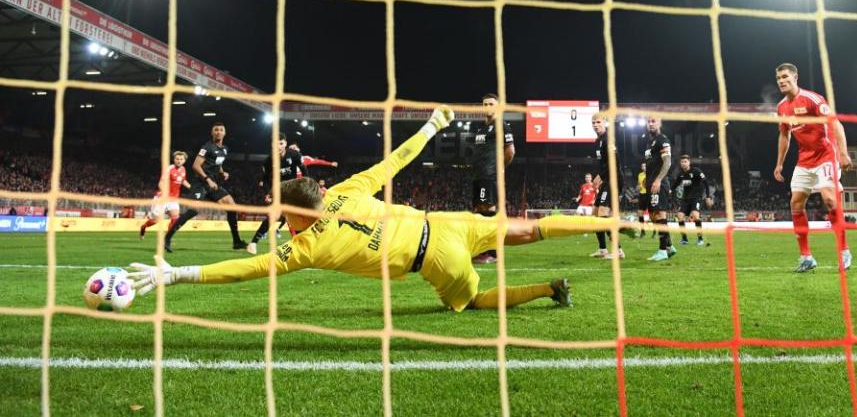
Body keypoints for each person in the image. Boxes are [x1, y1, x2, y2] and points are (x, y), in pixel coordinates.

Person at [127, 107, 628, 312]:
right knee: (531, 230)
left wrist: (180, 275)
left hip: (436, 262)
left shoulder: (307, 247)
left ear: (296, 217)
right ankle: (616, 220)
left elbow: (248, 269)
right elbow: (397, 159)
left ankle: (545, 289)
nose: (280, 220)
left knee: (473, 302)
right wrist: (433, 126)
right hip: (448, 224)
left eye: (282, 214)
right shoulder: (344, 190)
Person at [773, 63, 853, 273]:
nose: (781, 81)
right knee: (796, 204)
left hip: (826, 155)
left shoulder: (813, 99)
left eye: (785, 76)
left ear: (795, 77)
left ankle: (844, 251)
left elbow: (835, 124)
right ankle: (806, 256)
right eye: (778, 78)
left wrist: (843, 153)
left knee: (829, 199)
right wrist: (779, 163)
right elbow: (784, 135)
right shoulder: (782, 107)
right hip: (804, 160)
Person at [165, 123, 243, 252]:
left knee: (232, 206)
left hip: (212, 184)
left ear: (225, 133)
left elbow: (218, 164)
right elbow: (196, 166)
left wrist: (222, 172)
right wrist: (207, 179)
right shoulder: (207, 147)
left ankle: (237, 241)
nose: (218, 132)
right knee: (193, 211)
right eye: (216, 130)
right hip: (201, 183)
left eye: (221, 130)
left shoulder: (224, 149)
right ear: (212, 133)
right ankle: (167, 238)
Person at [247, 133, 314, 255]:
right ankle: (253, 243)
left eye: (281, 143)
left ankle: (303, 244)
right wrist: (268, 193)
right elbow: (266, 179)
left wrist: (306, 185)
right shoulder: (269, 160)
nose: (279, 146)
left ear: (285, 144)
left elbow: (304, 170)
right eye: (276, 144)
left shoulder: (294, 155)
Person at [470, 93, 515, 264]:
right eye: (485, 104)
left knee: (488, 209)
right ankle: (483, 250)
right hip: (478, 175)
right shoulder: (479, 128)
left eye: (491, 104)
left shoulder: (502, 125)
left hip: (489, 175)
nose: (488, 107)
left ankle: (493, 253)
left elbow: (510, 150)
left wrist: (499, 168)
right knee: (480, 211)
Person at [590, 113, 624, 259]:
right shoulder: (598, 141)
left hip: (613, 180)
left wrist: (600, 177)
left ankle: (618, 251)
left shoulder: (608, 139)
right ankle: (603, 249)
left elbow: (614, 162)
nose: (595, 125)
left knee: (603, 215)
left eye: (598, 122)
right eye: (593, 123)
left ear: (605, 123)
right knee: (595, 214)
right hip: (605, 181)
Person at [643, 117, 676, 261]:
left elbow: (667, 162)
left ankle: (662, 251)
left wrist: (658, 179)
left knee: (660, 215)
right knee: (653, 216)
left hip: (659, 183)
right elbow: (652, 163)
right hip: (651, 182)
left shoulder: (663, 139)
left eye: (653, 121)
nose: (651, 124)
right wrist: (647, 178)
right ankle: (669, 246)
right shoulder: (649, 143)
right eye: (648, 121)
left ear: (660, 123)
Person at [140, 151, 191, 240]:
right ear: (174, 159)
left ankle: (167, 238)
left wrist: (191, 187)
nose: (179, 161)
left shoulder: (183, 169)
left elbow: (183, 181)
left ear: (184, 161)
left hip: (173, 199)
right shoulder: (169, 169)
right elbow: (161, 183)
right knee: (156, 220)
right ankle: (143, 227)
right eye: (177, 159)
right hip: (162, 198)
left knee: (175, 219)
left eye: (181, 159)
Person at [674, 154, 713, 246]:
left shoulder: (696, 171)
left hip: (696, 198)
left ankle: (700, 239)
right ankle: (684, 239)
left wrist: (707, 197)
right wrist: (670, 191)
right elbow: (675, 185)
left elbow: (706, 183)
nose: (683, 163)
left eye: (685, 162)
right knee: (680, 216)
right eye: (682, 162)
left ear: (689, 162)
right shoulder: (681, 175)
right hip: (685, 199)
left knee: (695, 216)